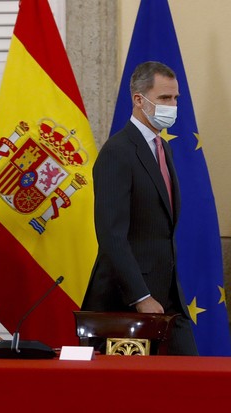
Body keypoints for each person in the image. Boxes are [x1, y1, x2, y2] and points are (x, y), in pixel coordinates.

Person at [81, 61, 198, 355]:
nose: (172, 106)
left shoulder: (163, 147)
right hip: (128, 302)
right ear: (138, 100)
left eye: (175, 99)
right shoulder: (117, 152)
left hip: (168, 296)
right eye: (164, 98)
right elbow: (111, 235)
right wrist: (141, 295)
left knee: (192, 379)